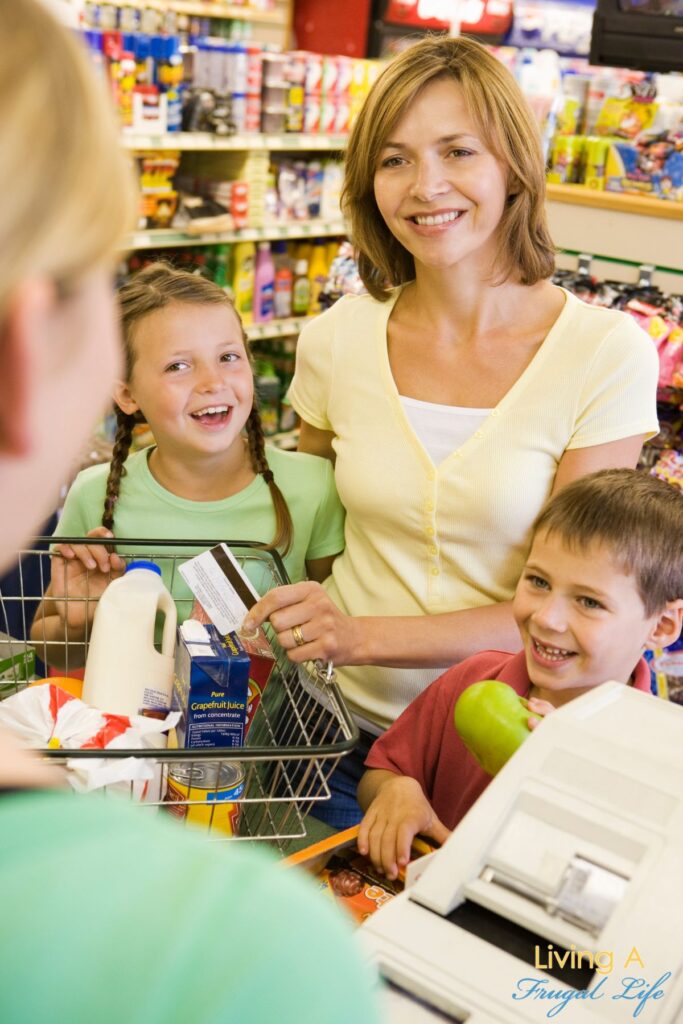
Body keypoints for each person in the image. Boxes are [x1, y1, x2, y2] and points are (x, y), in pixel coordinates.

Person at [0, 5, 380, 1023]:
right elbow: (63, 674)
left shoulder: (303, 485)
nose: (212, 381)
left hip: (245, 765)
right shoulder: (242, 957)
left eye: (226, 355)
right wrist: (70, 628)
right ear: (39, 345)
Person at [244, 35, 659, 826]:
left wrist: (358, 636)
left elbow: (573, 600)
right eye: (394, 159)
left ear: (512, 166)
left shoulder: (603, 354)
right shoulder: (335, 341)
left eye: (457, 151)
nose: (424, 186)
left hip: (503, 748)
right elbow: (315, 539)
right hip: (331, 735)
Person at [356, 468, 683, 879]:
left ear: (662, 626)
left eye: (589, 602)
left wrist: (569, 778)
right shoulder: (473, 679)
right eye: (538, 581)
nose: (546, 617)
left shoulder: (657, 756)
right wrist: (395, 790)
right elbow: (384, 770)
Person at [31, 263, 344, 668]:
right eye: (178, 366)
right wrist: (80, 622)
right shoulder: (94, 494)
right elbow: (48, 645)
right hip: (131, 729)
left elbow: (333, 620)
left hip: (269, 730)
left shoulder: (312, 486)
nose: (212, 381)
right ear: (127, 395)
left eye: (228, 356)